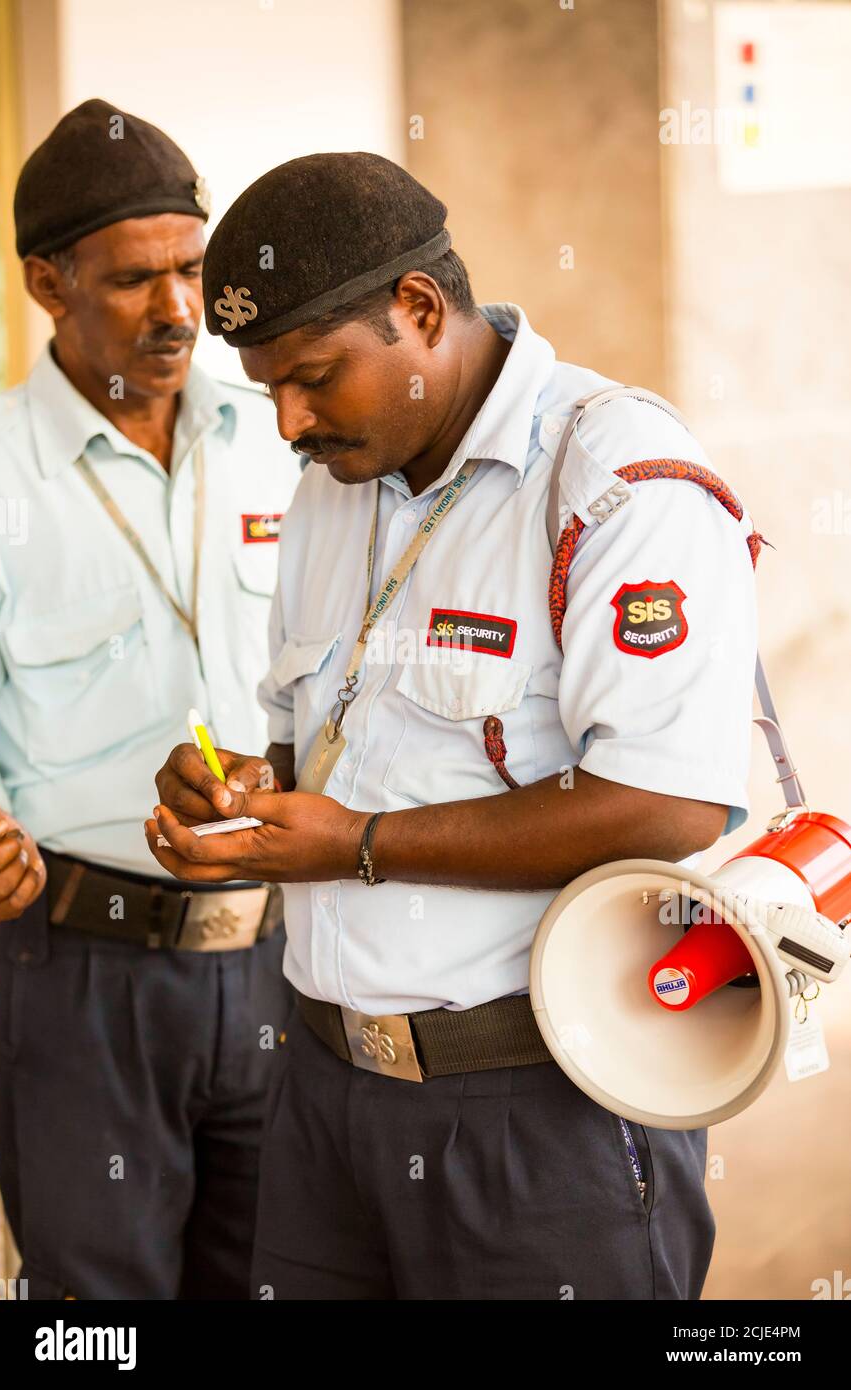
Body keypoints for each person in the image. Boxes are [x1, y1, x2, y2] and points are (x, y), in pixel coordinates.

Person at [148, 152, 759, 1300]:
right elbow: (312, 753)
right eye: (266, 385)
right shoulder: (332, 485)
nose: (287, 420)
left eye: (314, 377)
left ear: (420, 311)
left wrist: (357, 846)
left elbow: (666, 803)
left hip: (539, 1109)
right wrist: (237, 792)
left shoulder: (615, 482)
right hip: (325, 1090)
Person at [0, 100, 299, 1299]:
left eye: (192, 269)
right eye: (133, 280)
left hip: (279, 961)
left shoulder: (284, 435)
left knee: (277, 1274)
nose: (178, 311)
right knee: (94, 1310)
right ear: (47, 284)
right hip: (78, 975)